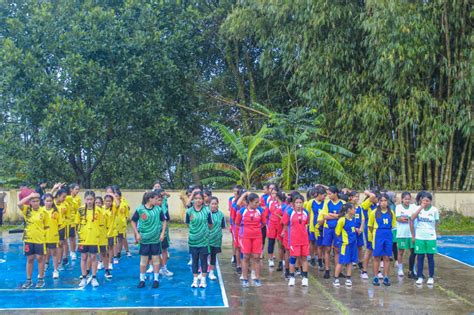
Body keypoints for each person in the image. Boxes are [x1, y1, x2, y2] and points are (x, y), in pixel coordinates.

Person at [131, 191, 167, 289]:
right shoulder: (140, 209)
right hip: (144, 240)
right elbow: (133, 221)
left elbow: (164, 221)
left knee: (156, 260)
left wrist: (162, 233)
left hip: (155, 239)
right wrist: (137, 234)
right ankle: (142, 279)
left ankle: (156, 280)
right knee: (143, 261)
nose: (157, 201)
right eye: (155, 199)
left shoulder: (158, 210)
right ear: (149, 199)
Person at [235, 192, 266, 288]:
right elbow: (237, 223)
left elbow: (263, 223)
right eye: (256, 202)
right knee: (246, 257)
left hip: (257, 237)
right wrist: (247, 230)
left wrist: (255, 230)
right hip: (245, 237)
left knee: (256, 257)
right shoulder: (242, 211)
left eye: (258, 202)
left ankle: (257, 278)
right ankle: (245, 279)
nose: (258, 204)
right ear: (250, 202)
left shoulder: (260, 211)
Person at [18, 192, 47, 289]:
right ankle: (29, 280)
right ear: (30, 202)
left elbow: (46, 226)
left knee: (40, 258)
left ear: (40, 202)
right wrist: (30, 196)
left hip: (40, 240)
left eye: (37, 201)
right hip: (29, 239)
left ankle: (41, 279)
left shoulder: (43, 212)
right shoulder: (27, 210)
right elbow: (19, 204)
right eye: (33, 201)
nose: (35, 203)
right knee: (30, 259)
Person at [76, 190, 104, 287]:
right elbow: (77, 223)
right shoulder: (80, 210)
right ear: (84, 199)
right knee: (83, 257)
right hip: (83, 238)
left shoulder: (99, 211)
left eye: (91, 199)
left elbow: (101, 225)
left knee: (93, 257)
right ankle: (84, 277)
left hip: (94, 238)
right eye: (87, 199)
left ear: (94, 199)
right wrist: (78, 235)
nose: (89, 201)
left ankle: (94, 277)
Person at [411, 192, 439, 286]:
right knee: (420, 257)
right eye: (423, 200)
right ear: (421, 200)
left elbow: (437, 223)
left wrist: (435, 234)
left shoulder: (434, 210)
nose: (425, 202)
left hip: (430, 237)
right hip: (420, 237)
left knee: (430, 257)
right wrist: (420, 208)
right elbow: (412, 219)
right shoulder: (417, 209)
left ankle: (431, 277)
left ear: (430, 201)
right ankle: (419, 277)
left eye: (427, 200)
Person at [186, 191, 213, 288]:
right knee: (194, 260)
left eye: (200, 198)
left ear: (203, 200)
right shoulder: (189, 211)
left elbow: (210, 224)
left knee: (204, 261)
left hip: (204, 241)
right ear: (193, 199)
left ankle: (203, 281)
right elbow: (188, 223)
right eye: (196, 198)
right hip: (193, 241)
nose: (198, 200)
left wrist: (203, 231)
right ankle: (195, 281)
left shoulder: (207, 211)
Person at [368, 193, 396, 286]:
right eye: (381, 201)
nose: (383, 203)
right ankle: (375, 277)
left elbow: (393, 226)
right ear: (378, 202)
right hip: (378, 235)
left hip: (388, 235)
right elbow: (370, 226)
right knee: (376, 257)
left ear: (388, 202)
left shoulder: (391, 212)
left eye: (385, 201)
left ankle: (386, 277)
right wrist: (372, 237)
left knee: (387, 257)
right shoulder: (374, 212)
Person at [318, 186, 345, 279]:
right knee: (327, 249)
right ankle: (327, 270)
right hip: (328, 228)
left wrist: (332, 215)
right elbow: (325, 216)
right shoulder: (327, 203)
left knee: (337, 249)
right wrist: (338, 216)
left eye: (330, 194)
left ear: (336, 193)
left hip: (339, 229)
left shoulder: (343, 203)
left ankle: (338, 271)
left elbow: (344, 216)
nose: (328, 196)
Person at [283, 194, 309, 287]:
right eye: (297, 203)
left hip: (304, 240)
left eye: (300, 203)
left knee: (304, 258)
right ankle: (292, 277)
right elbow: (285, 225)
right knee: (293, 259)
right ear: (293, 204)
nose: (299, 204)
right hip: (294, 240)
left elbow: (306, 223)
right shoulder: (289, 212)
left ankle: (305, 278)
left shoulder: (306, 212)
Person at [334, 203, 358, 287]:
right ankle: (336, 278)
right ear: (349, 210)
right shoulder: (342, 220)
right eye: (353, 208)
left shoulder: (353, 219)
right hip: (345, 244)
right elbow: (337, 232)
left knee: (350, 261)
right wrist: (342, 241)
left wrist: (356, 230)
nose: (355, 210)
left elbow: (352, 229)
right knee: (341, 261)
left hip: (353, 244)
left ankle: (348, 278)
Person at [360, 190, 380, 279]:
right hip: (369, 230)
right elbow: (371, 195)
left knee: (377, 251)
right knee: (369, 250)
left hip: (377, 230)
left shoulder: (378, 205)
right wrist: (369, 193)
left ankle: (377, 270)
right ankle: (364, 271)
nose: (378, 199)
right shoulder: (366, 204)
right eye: (376, 198)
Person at [395, 192, 414, 277]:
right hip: (401, 234)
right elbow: (399, 219)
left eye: (408, 199)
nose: (407, 200)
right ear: (402, 199)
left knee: (413, 252)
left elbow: (412, 218)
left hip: (411, 234)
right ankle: (400, 269)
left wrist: (407, 218)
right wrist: (409, 219)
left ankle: (412, 269)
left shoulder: (413, 207)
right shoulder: (398, 207)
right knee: (401, 252)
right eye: (405, 199)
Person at [43, 193, 61, 279]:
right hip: (42, 237)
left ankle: (55, 270)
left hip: (53, 236)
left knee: (54, 253)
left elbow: (59, 224)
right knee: (43, 253)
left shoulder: (56, 211)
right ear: (44, 201)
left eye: (50, 201)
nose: (49, 203)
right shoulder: (41, 211)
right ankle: (42, 269)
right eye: (47, 201)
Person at [266, 189, 285, 270]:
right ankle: (270, 259)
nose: (273, 195)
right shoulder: (270, 202)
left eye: (275, 193)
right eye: (272, 193)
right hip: (272, 224)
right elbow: (266, 214)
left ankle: (283, 259)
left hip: (280, 225)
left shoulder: (284, 204)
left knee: (281, 242)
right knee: (271, 241)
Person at [309, 186, 327, 271]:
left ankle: (321, 260)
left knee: (322, 245)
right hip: (313, 226)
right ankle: (312, 257)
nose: (325, 197)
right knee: (312, 242)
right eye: (324, 195)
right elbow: (307, 213)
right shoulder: (311, 202)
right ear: (319, 195)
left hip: (322, 227)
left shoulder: (325, 203)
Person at [208, 197, 226, 280]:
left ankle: (211, 272)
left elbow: (222, 226)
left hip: (216, 239)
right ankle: (202, 271)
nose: (214, 205)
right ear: (209, 204)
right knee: (204, 255)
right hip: (206, 239)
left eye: (215, 204)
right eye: (212, 204)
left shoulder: (221, 215)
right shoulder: (206, 213)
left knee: (213, 256)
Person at [348, 191, 365, 270]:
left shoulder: (359, 207)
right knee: (351, 246)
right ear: (351, 197)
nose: (357, 198)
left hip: (359, 231)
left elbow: (363, 219)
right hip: (351, 230)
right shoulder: (347, 206)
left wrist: (361, 228)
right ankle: (351, 261)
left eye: (358, 196)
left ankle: (360, 262)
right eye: (355, 196)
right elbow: (346, 219)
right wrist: (354, 228)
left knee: (360, 246)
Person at [66, 183, 81, 262]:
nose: (77, 191)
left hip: (74, 220)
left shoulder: (78, 199)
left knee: (73, 237)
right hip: (66, 221)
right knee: (65, 238)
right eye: (76, 189)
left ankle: (73, 252)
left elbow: (78, 209)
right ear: (71, 189)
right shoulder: (66, 197)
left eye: (78, 189)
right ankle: (67, 253)